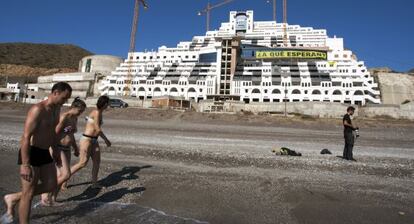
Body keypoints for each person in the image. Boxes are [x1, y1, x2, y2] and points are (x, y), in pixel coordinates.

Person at [1, 82, 72, 224]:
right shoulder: (37, 110)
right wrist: (25, 164)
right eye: (64, 98)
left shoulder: (56, 109)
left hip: (45, 152)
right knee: (28, 194)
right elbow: (26, 137)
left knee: (51, 184)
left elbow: (52, 132)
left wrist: (56, 151)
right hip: (31, 153)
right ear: (56, 92)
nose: (65, 101)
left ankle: (13, 198)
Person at [40, 97, 86, 205]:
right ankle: (45, 194)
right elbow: (55, 132)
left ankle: (53, 199)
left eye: (82, 111)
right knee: (66, 175)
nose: (81, 113)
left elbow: (70, 134)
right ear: (73, 107)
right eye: (80, 111)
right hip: (58, 147)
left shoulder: (75, 118)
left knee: (60, 175)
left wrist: (75, 147)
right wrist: (54, 149)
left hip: (67, 149)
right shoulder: (64, 117)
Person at [70, 95, 111, 189]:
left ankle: (94, 183)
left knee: (97, 162)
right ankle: (64, 179)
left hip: (94, 140)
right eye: (108, 103)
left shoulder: (99, 112)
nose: (109, 105)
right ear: (104, 104)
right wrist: (106, 140)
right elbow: (97, 128)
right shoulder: (96, 112)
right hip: (87, 140)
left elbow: (92, 124)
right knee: (82, 163)